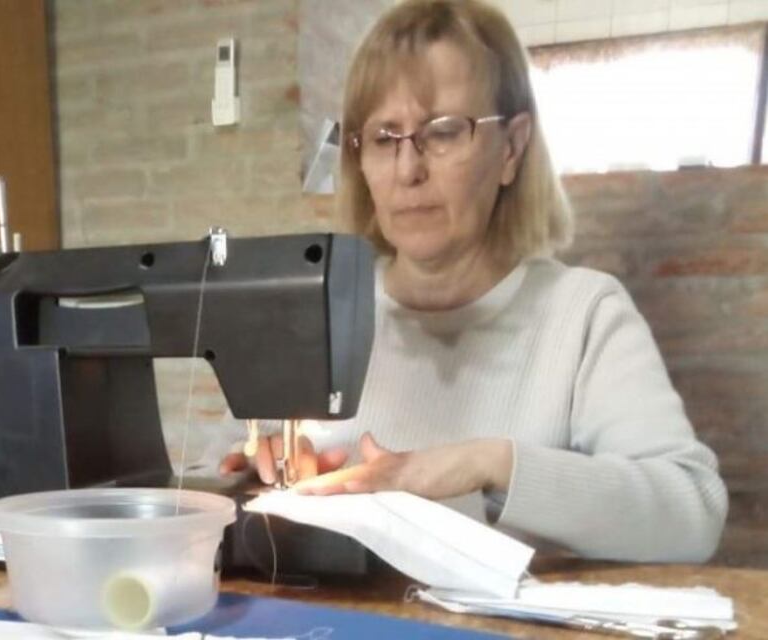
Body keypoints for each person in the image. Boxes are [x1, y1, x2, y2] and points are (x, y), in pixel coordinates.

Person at [219, 0, 727, 562]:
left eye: (443, 132)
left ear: (510, 148)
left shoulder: (584, 315)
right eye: (385, 138)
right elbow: (226, 483)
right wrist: (253, 476)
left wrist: (492, 465)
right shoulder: (314, 314)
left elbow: (692, 514)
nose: (408, 171)